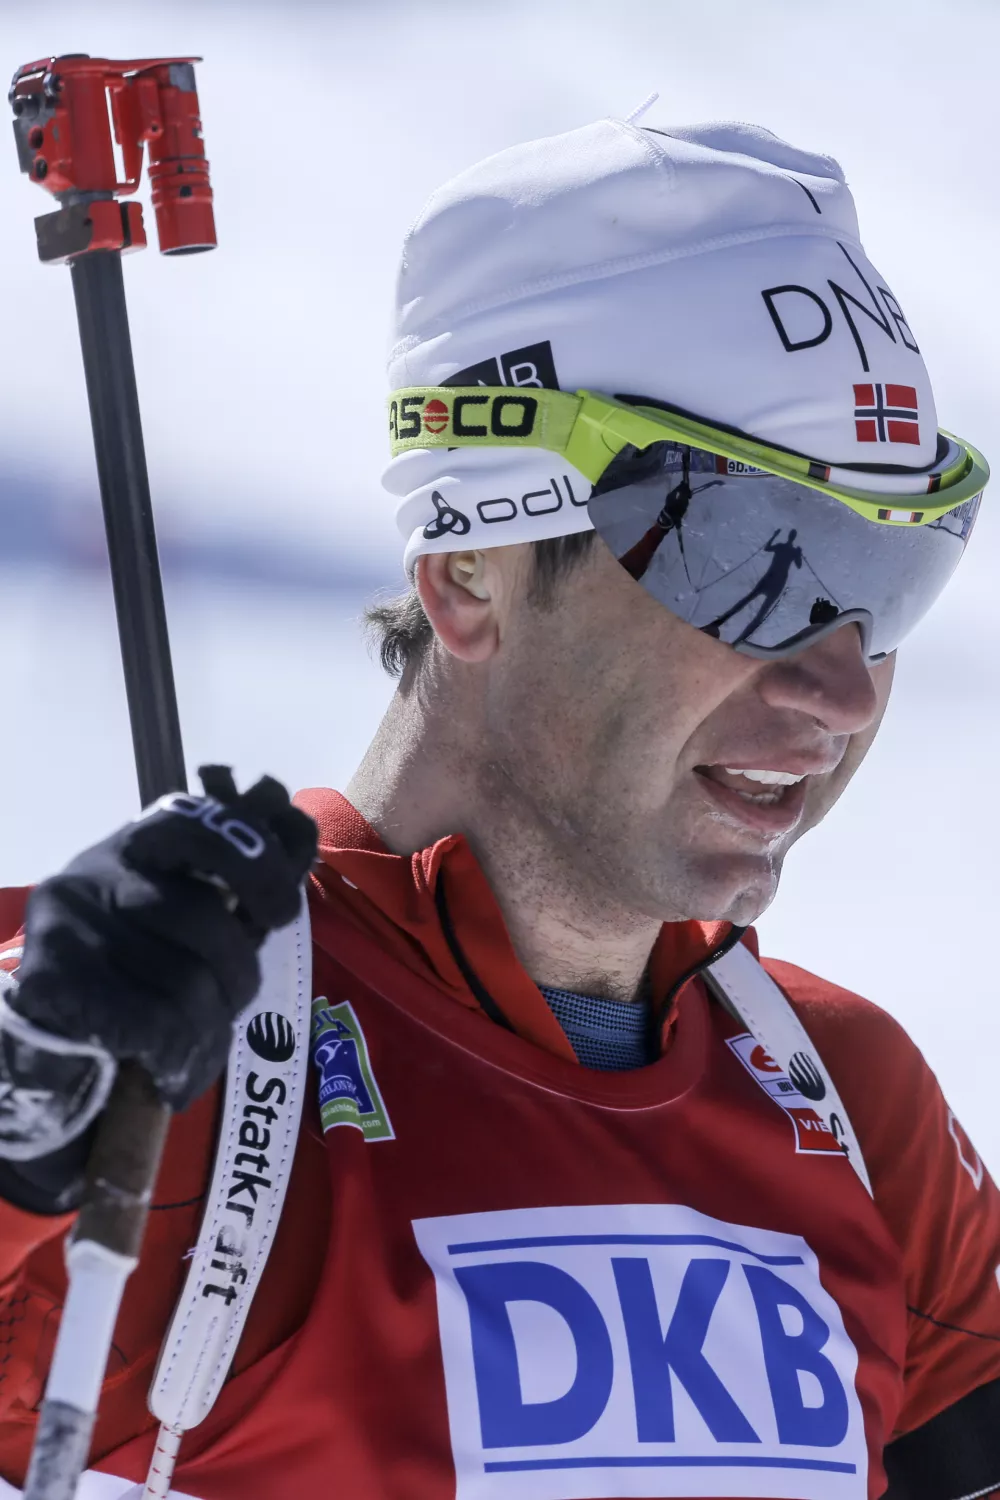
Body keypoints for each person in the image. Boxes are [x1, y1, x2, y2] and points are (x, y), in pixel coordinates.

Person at [0, 118, 995, 1500]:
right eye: (757, 564)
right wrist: (33, 1099)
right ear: (473, 573)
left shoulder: (851, 1101)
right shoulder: (149, 1026)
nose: (840, 688)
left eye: (888, 583)